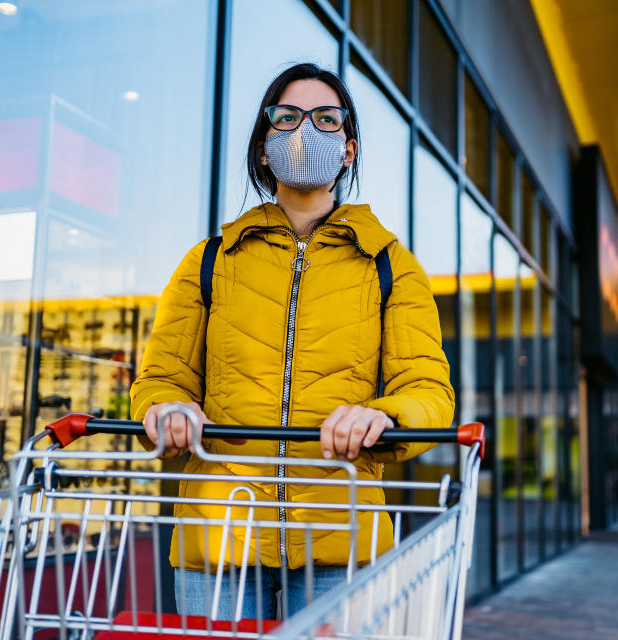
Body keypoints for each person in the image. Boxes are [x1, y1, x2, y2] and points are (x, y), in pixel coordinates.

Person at [129, 62, 454, 620]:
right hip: (220, 533)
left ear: (348, 150)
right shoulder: (208, 262)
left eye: (327, 119)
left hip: (340, 532)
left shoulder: (389, 266)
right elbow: (160, 378)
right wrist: (166, 408)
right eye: (288, 117)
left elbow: (427, 389)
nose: (306, 130)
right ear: (263, 147)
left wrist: (385, 416)